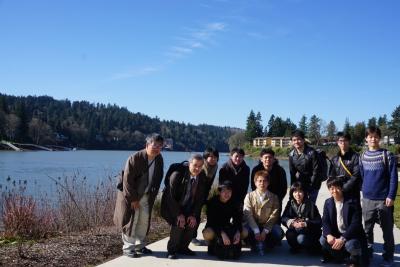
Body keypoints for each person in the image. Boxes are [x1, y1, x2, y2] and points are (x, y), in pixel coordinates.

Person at [113, 133, 164, 258]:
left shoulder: (159, 159)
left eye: (160, 146)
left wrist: (153, 194)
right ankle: (128, 248)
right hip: (132, 196)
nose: (157, 148)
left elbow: (158, 177)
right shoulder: (135, 158)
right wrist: (133, 199)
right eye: (154, 145)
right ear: (147, 144)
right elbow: (127, 181)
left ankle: (140, 245)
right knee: (131, 221)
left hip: (147, 195)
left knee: (144, 220)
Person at [360, 126, 398, 267]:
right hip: (367, 199)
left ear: (379, 138)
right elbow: (363, 177)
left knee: (387, 231)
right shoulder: (362, 156)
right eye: (370, 136)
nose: (373, 139)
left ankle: (388, 258)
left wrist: (391, 195)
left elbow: (393, 178)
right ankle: (368, 254)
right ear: (366, 138)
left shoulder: (387, 155)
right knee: (367, 230)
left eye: (375, 136)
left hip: (384, 200)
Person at [160, 154, 207, 259]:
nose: (197, 168)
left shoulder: (202, 176)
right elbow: (170, 198)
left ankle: (183, 247)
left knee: (192, 222)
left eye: (200, 166)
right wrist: (178, 214)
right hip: (172, 207)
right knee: (179, 223)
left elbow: (200, 199)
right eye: (195, 165)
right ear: (189, 164)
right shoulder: (177, 175)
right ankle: (172, 250)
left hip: (188, 207)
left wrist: (194, 214)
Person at [320, 177, 368, 267]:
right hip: (336, 235)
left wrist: (343, 238)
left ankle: (354, 258)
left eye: (337, 187)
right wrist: (328, 234)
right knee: (323, 239)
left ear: (342, 188)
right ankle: (339, 256)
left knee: (351, 245)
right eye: (331, 188)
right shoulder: (328, 202)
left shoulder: (353, 202)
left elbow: (356, 224)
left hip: (350, 236)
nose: (334, 191)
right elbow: (325, 221)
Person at [243, 170, 283, 255]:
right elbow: (248, 214)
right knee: (243, 232)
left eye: (264, 181)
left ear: (268, 183)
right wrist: (256, 231)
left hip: (267, 225)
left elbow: (274, 216)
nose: (262, 183)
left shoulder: (274, 197)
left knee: (279, 232)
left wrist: (265, 231)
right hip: (252, 225)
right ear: (255, 182)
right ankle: (251, 243)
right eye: (259, 181)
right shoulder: (249, 196)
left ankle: (267, 244)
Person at [202, 180, 243, 259]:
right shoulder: (212, 202)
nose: (227, 194)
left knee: (244, 232)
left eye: (229, 191)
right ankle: (212, 243)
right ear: (220, 192)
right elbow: (212, 222)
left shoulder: (234, 203)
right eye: (224, 191)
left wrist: (238, 232)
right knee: (207, 233)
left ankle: (234, 243)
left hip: (227, 225)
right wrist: (222, 233)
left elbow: (238, 219)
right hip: (213, 226)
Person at [281, 182, 321, 254]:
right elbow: (283, 218)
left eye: (300, 191)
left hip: (308, 231)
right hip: (296, 229)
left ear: (304, 193)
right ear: (292, 193)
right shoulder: (290, 203)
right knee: (289, 234)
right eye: (295, 192)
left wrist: (305, 223)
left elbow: (319, 221)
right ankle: (296, 247)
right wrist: (292, 222)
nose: (297, 194)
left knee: (301, 239)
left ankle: (310, 247)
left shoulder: (311, 204)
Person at [191, 147, 219, 246]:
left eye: (215, 157)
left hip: (203, 196)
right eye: (210, 157)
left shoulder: (214, 167)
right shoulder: (201, 168)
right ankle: (192, 237)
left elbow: (209, 184)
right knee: (194, 216)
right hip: (194, 195)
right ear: (205, 157)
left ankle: (192, 236)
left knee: (197, 216)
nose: (213, 159)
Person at [289, 129, 320, 203]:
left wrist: (311, 186)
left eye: (299, 139)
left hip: (314, 184)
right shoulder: (291, 155)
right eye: (294, 140)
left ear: (303, 140)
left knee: (310, 205)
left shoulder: (312, 153)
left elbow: (316, 171)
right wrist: (293, 188)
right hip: (301, 183)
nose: (296, 142)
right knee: (300, 205)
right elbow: (292, 173)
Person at [329, 132, 361, 202]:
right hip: (338, 192)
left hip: (353, 192)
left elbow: (356, 176)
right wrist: (334, 188)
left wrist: (343, 188)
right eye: (341, 141)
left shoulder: (356, 157)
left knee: (353, 212)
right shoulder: (334, 159)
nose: (343, 143)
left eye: (345, 140)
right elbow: (331, 176)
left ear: (349, 142)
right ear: (337, 142)